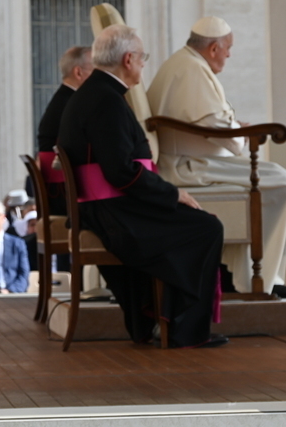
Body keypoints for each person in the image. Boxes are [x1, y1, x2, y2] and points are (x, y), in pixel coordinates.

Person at [57, 24, 226, 348]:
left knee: (195, 224)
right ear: (129, 59)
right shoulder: (106, 100)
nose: (144, 64)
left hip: (104, 207)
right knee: (206, 228)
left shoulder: (95, 93)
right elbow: (121, 171)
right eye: (143, 58)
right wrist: (173, 193)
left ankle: (151, 319)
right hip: (114, 212)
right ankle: (184, 330)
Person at [146, 16, 286, 299]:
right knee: (282, 182)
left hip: (195, 159)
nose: (229, 54)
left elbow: (209, 119)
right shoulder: (192, 70)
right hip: (188, 167)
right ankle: (259, 278)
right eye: (228, 48)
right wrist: (240, 134)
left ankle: (241, 273)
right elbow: (216, 125)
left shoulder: (185, 63)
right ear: (214, 48)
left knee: (276, 175)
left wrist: (235, 128)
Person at [36, 45, 93, 215]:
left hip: (61, 190)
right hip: (64, 196)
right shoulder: (73, 102)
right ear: (78, 72)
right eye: (95, 71)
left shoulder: (66, 98)